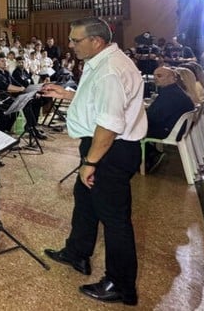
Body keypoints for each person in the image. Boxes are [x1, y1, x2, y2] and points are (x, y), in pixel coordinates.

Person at [41, 17, 147, 306]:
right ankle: (77, 252)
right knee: (85, 200)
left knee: (114, 219)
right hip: (102, 146)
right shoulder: (101, 61)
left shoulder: (110, 70)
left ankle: (121, 285)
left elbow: (109, 125)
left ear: (96, 41)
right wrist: (68, 94)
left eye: (76, 40)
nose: (70, 45)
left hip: (109, 150)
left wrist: (91, 162)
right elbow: (96, 101)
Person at [143, 66, 196, 171]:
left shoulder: (170, 94)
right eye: (154, 76)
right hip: (178, 129)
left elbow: (154, 117)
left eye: (159, 76)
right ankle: (152, 153)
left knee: (133, 130)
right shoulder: (175, 91)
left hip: (169, 131)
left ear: (172, 78)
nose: (155, 78)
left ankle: (148, 158)